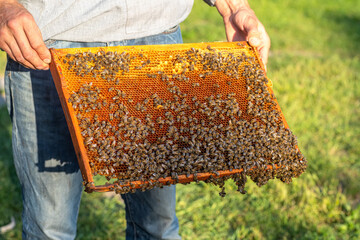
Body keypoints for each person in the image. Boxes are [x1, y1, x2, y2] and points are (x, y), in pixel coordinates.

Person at [0, 0, 270, 239]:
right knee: (50, 227)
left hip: (156, 39)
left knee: (158, 225)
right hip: (48, 43)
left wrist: (235, 6)